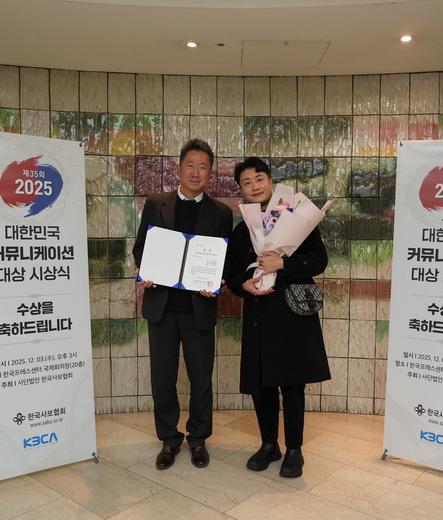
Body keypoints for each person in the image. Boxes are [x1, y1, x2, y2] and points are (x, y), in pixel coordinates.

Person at [225, 157, 331, 478]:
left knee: (292, 385)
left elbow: (319, 260)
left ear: (270, 181)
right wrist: (243, 286)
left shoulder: (297, 218)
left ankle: (295, 450)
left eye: (259, 179)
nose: (254, 186)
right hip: (258, 315)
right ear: (241, 190)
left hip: (291, 314)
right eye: (247, 182)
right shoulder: (241, 231)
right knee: (262, 386)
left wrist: (283, 264)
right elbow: (232, 275)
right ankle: (269, 444)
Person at [132, 139, 233, 470]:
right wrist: (145, 271)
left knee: (201, 379)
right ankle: (169, 439)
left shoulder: (221, 213)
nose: (196, 172)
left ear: (210, 173)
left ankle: (199, 438)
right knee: (163, 380)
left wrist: (217, 281)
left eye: (203, 167)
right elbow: (141, 248)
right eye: (190, 165)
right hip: (162, 308)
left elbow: (224, 259)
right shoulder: (156, 204)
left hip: (198, 309)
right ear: (179, 168)